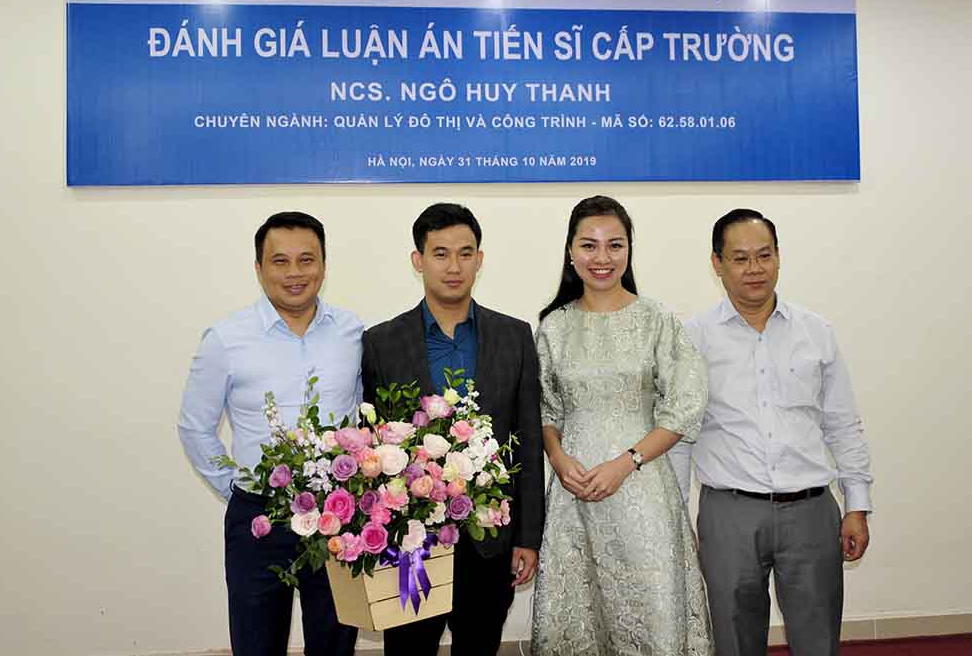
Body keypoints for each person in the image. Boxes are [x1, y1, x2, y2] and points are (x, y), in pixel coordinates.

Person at [671, 208, 873, 656]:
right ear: (717, 263)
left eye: (764, 255)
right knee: (735, 642)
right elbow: (680, 438)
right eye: (740, 258)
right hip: (729, 514)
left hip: (811, 512)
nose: (754, 268)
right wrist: (678, 520)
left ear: (779, 256)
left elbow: (843, 424)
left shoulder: (816, 332)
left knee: (818, 641)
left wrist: (857, 505)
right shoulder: (692, 339)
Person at [531, 195, 713, 656]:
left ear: (629, 249)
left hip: (642, 490)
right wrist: (558, 457)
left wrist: (626, 462)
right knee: (580, 625)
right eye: (589, 245)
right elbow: (546, 410)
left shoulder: (657, 320)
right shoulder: (553, 327)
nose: (603, 257)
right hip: (574, 493)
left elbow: (684, 406)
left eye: (615, 245)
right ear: (570, 251)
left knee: (651, 618)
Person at [361, 202, 545, 656]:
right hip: (410, 544)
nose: (454, 266)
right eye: (440, 254)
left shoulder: (514, 336)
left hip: (490, 541)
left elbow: (527, 440)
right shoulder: (382, 342)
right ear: (418, 260)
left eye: (465, 253)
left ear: (479, 260)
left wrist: (528, 537)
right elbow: (371, 447)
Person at [178, 211, 362, 656]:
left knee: (336, 643)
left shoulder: (352, 333)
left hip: (336, 515)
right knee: (256, 643)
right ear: (259, 269)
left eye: (306, 260)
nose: (294, 273)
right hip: (258, 520)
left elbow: (362, 414)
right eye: (280, 261)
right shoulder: (226, 339)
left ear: (324, 265)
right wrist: (240, 489)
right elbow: (195, 426)